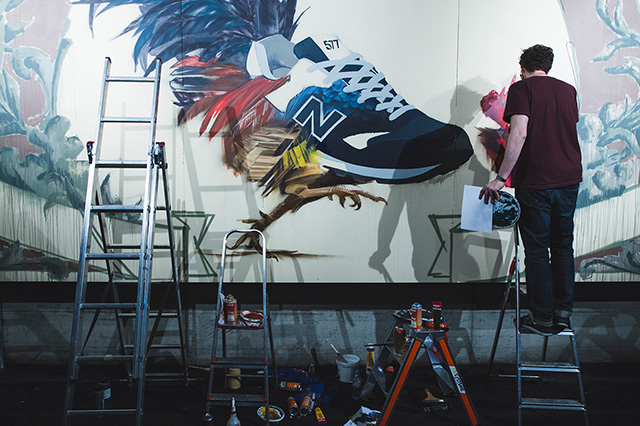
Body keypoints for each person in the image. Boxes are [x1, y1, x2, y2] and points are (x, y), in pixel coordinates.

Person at [479, 44, 582, 336]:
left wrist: (501, 178)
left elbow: (520, 132)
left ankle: (542, 318)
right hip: (569, 179)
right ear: (547, 66)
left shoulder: (522, 89)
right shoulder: (568, 90)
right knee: (562, 247)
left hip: (537, 181)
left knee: (537, 250)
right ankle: (562, 314)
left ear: (523, 67)